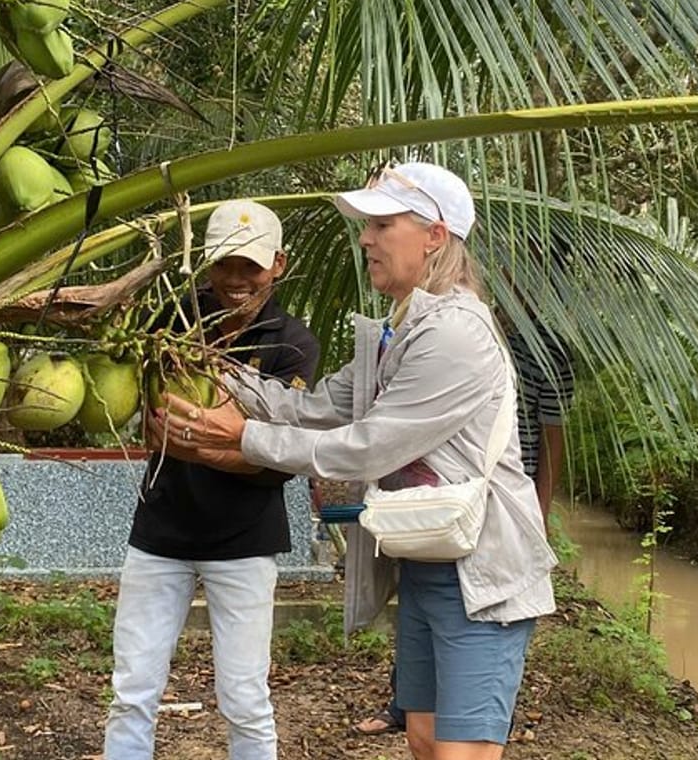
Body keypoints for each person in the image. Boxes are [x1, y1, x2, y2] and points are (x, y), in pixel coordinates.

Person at [152, 162, 557, 760]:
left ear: (435, 235)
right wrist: (222, 375)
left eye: (381, 224)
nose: (365, 238)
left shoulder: (456, 334)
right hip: (430, 561)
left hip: (483, 577)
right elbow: (317, 407)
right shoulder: (401, 328)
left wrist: (241, 439)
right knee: (423, 737)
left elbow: (368, 445)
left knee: (462, 753)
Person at [103, 199, 320, 760]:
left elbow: (278, 456)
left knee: (245, 697)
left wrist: (200, 443)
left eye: (250, 266)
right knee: (132, 690)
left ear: (279, 264)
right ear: (205, 263)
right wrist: (215, 436)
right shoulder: (170, 320)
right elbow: (142, 415)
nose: (236, 280)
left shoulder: (291, 344)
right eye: (224, 264)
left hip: (243, 541)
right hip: (160, 532)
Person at [354, 319, 575, 737]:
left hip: (495, 515)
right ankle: (404, 704)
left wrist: (537, 517)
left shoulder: (547, 349)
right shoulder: (437, 331)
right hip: (433, 513)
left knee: (471, 723)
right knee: (425, 688)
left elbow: (553, 435)